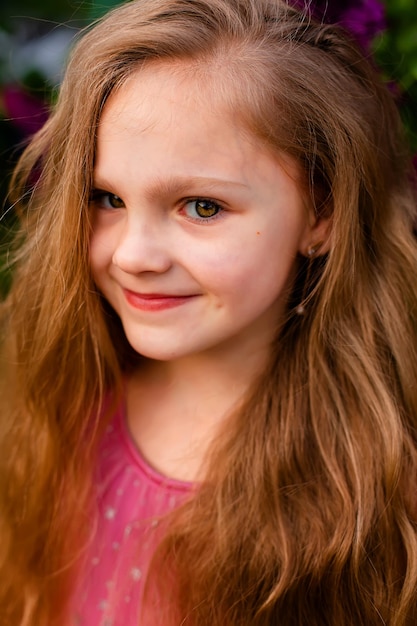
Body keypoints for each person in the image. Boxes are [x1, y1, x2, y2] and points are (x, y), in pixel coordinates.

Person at [1, 0, 417, 624]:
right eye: (106, 197)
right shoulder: (52, 395)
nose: (134, 256)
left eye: (201, 207)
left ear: (321, 212)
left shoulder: (380, 479)